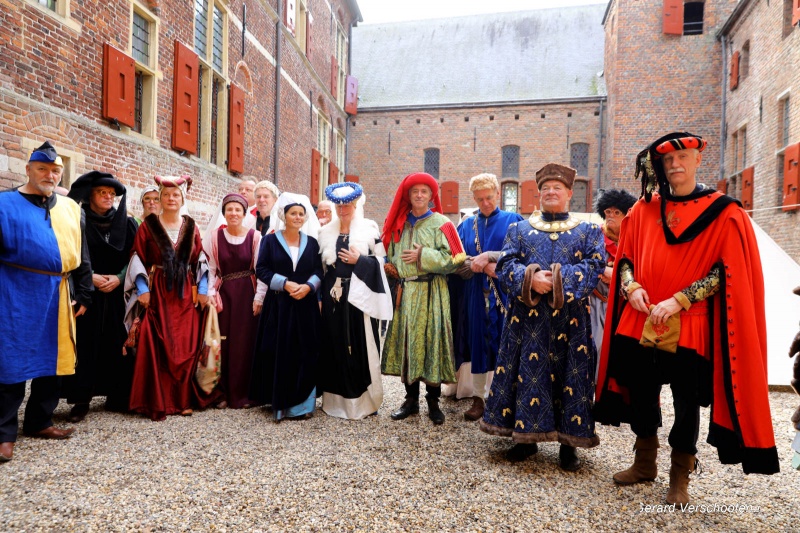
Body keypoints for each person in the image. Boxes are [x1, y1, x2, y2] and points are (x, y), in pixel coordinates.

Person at [594, 132, 779, 504]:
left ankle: (680, 477)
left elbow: (726, 272)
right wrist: (631, 288)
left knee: (686, 402)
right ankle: (644, 462)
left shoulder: (723, 211)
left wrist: (680, 300)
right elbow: (626, 258)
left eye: (683, 157)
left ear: (698, 160)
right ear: (661, 166)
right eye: (668, 160)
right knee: (641, 394)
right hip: (641, 319)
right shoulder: (644, 209)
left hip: (689, 325)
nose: (675, 164)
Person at [479, 163, 604, 471]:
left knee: (569, 375)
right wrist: (531, 279)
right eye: (546, 188)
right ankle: (525, 439)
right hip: (528, 320)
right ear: (539, 193)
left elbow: (595, 266)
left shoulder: (589, 231)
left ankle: (569, 445)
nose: (551, 192)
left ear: (569, 194)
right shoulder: (519, 230)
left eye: (557, 188)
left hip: (570, 319)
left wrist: (560, 280)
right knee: (526, 373)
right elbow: (506, 265)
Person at [0, 142, 92, 463]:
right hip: (14, 290)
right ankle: (3, 434)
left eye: (55, 171)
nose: (49, 175)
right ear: (28, 169)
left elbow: (82, 257)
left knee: (54, 361)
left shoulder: (70, 208)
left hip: (59, 292)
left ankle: (40, 420)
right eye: (43, 169)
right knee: (10, 362)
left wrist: (84, 292)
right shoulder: (4, 204)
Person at [381, 172, 466, 425]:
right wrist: (391, 265)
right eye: (415, 191)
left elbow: (458, 259)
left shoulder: (444, 223)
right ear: (408, 195)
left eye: (424, 192)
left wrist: (424, 255)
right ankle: (410, 400)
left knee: (432, 343)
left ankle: (433, 401)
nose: (419, 195)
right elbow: (391, 253)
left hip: (432, 293)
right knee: (408, 343)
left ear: (431, 196)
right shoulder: (399, 223)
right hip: (406, 294)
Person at [127, 175, 209, 421]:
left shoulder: (191, 225)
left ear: (182, 199)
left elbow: (200, 259)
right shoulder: (148, 225)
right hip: (158, 293)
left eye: (176, 195)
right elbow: (137, 257)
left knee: (186, 346)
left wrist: (203, 289)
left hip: (184, 294)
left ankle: (183, 400)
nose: (171, 199)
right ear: (160, 199)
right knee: (160, 346)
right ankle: (160, 399)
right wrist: (142, 289)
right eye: (166, 195)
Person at [62, 171, 138, 422]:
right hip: (87, 291)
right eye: (102, 193)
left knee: (118, 342)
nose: (108, 197)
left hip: (118, 292)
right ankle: (81, 400)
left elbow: (136, 256)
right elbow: (69, 252)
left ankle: (117, 395)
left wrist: (119, 277)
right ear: (90, 195)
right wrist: (90, 277)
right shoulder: (77, 220)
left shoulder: (126, 223)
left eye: (111, 194)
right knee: (85, 343)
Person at [318, 183, 393, 419]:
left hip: (361, 298)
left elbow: (384, 263)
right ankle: (335, 401)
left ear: (356, 204)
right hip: (334, 298)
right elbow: (320, 269)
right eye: (339, 206)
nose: (343, 210)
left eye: (347, 206)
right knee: (335, 344)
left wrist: (360, 260)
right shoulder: (325, 232)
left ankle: (364, 402)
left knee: (360, 345)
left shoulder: (370, 230)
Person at [455, 173, 523, 421]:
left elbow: (523, 255)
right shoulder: (466, 225)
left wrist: (493, 256)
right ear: (474, 198)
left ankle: (504, 397)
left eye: (489, 197)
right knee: (478, 344)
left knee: (506, 341)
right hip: (475, 292)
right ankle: (478, 398)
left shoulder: (513, 221)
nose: (485, 202)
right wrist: (479, 264)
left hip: (504, 293)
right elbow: (457, 261)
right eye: (480, 199)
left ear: (497, 193)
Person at [250, 192, 323, 421]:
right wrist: (284, 284)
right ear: (285, 215)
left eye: (301, 214)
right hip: (279, 306)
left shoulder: (311, 243)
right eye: (293, 213)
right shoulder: (270, 240)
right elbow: (260, 269)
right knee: (280, 352)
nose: (298, 217)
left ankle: (303, 405)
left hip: (305, 307)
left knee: (305, 351)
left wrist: (309, 287)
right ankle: (280, 404)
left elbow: (319, 271)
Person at [204, 193, 266, 409]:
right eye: (229, 209)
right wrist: (211, 292)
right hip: (225, 294)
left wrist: (259, 297)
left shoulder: (255, 237)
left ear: (244, 213)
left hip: (247, 293)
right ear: (224, 213)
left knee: (245, 342)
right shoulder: (214, 237)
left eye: (237, 210)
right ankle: (221, 392)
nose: (233, 213)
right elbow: (211, 268)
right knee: (223, 341)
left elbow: (261, 270)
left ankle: (244, 393)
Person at [589, 189, 636, 361]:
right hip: (599, 301)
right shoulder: (595, 236)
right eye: (608, 211)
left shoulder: (635, 238)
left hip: (627, 303)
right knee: (597, 347)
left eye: (617, 212)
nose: (611, 216)